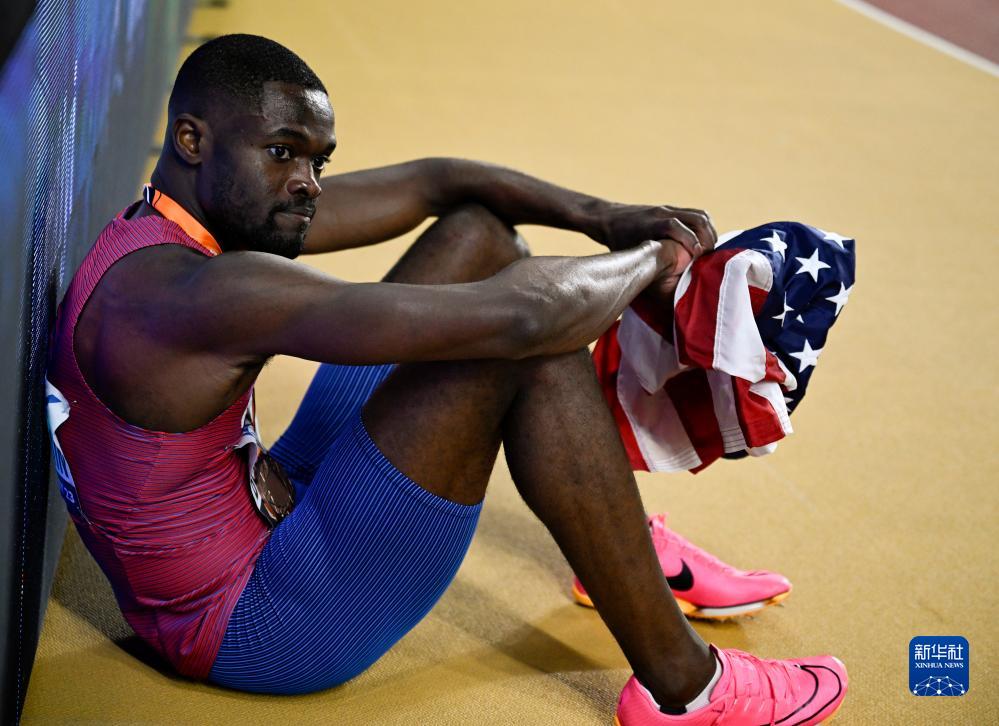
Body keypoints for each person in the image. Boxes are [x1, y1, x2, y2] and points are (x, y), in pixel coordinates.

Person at [46, 34, 846, 724]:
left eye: (318, 160)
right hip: (257, 622)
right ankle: (687, 688)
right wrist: (656, 261)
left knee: (475, 237)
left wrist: (602, 216)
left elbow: (441, 183)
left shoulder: (169, 222)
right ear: (192, 139)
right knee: (521, 347)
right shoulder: (203, 294)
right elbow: (523, 319)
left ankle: (612, 546)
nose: (308, 183)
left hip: (261, 498)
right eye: (283, 152)